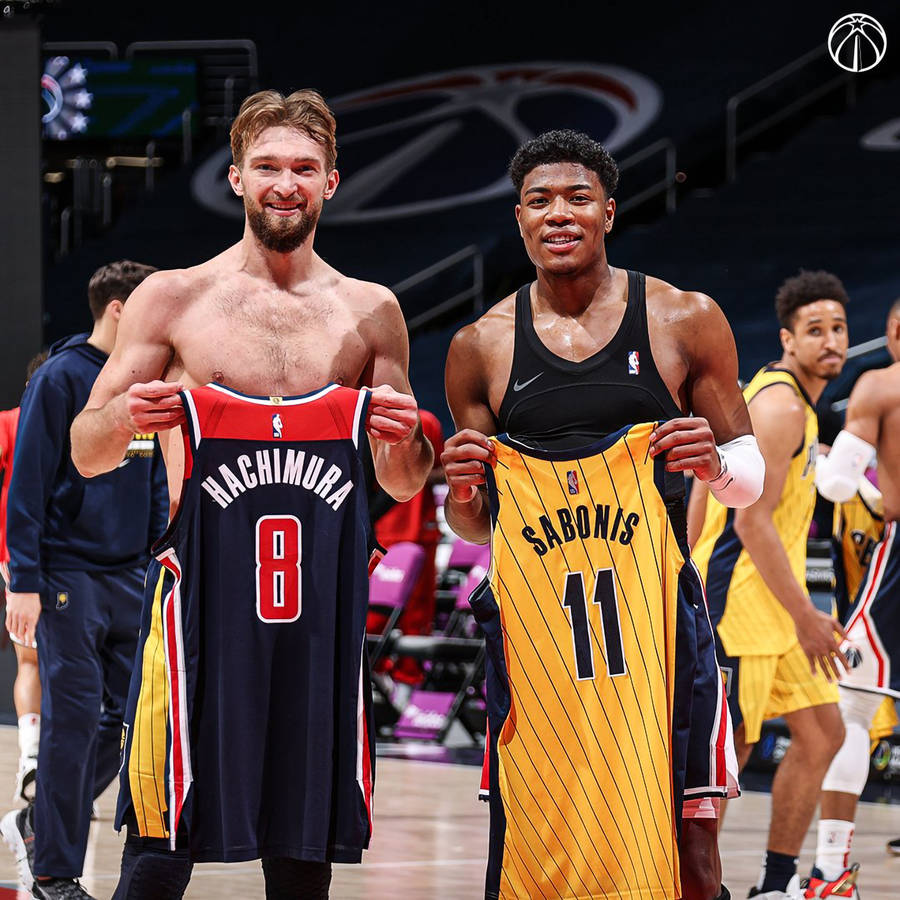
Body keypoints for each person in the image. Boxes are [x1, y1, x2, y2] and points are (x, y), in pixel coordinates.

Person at [68, 89, 432, 900]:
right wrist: (129, 414)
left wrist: (406, 439)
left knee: (303, 856)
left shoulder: (371, 311)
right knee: (161, 846)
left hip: (317, 611)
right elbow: (88, 452)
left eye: (305, 168)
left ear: (332, 183)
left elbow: (400, 481)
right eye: (266, 166)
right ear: (236, 177)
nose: (285, 183)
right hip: (196, 600)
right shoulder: (173, 298)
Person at [441, 129, 763, 900]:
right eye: (539, 201)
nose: (559, 214)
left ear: (610, 212)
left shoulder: (685, 318)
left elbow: (749, 476)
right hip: (538, 644)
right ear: (518, 219)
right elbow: (480, 525)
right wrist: (457, 495)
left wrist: (714, 464)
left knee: (692, 857)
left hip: (661, 632)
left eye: (578, 198)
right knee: (536, 845)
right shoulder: (478, 345)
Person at [0, 261, 167, 900]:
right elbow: (29, 483)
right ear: (121, 309)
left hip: (132, 575)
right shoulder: (60, 378)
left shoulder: (144, 380)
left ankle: (38, 820)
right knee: (72, 720)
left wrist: (158, 559)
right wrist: (26, 579)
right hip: (67, 573)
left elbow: (153, 480)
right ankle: (54, 871)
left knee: (136, 720)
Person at [691, 270, 851, 899]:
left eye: (838, 328)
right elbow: (752, 523)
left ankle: (776, 886)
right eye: (815, 330)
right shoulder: (781, 406)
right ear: (788, 339)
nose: (831, 341)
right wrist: (809, 617)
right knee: (725, 760)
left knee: (822, 734)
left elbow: (707, 487)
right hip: (738, 605)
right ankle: (698, 889)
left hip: (769, 611)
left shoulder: (794, 406)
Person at [802, 299, 900, 898]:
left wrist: (813, 463)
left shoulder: (883, 384)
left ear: (894, 330)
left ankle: (831, 871)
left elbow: (839, 483)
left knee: (854, 712)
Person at [0, 353, 47, 805]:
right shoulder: (13, 422)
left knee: (42, 665)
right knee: (39, 663)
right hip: (28, 564)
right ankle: (35, 760)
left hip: (64, 562)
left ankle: (44, 764)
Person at [370, 408, 445, 685]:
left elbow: (442, 471)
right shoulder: (367, 421)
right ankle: (378, 676)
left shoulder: (425, 421)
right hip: (384, 529)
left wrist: (411, 474)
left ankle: (410, 679)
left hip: (417, 529)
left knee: (418, 613)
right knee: (376, 613)